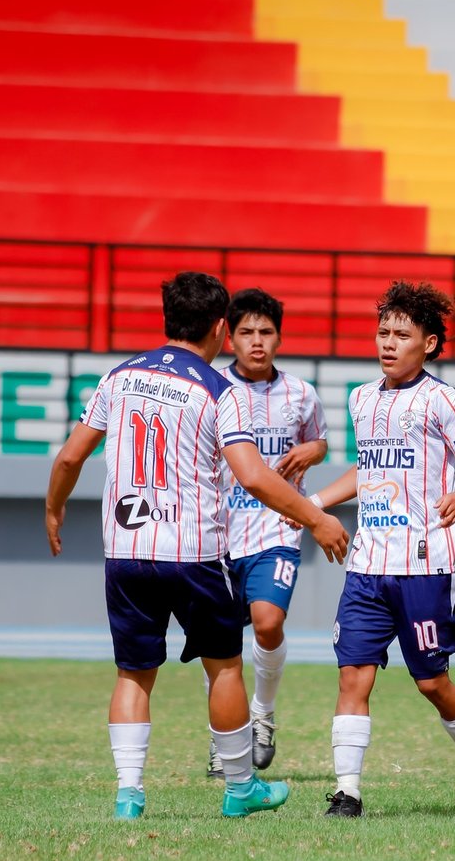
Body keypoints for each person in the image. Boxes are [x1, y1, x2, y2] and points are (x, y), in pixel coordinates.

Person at [45, 271, 348, 820]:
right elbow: (253, 476)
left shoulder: (119, 376)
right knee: (226, 668)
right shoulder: (217, 389)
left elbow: (70, 457)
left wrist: (53, 506)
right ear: (219, 328)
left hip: (127, 551)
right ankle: (240, 789)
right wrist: (316, 519)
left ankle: (129, 796)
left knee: (134, 673)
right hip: (193, 551)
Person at [306, 281, 455, 818]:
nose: (388, 343)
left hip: (425, 566)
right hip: (367, 565)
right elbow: (368, 471)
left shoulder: (441, 399)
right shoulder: (361, 399)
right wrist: (311, 503)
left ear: (431, 344)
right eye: (383, 332)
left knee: (432, 682)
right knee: (353, 675)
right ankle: (347, 793)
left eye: (402, 334)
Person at [205, 288, 328, 778]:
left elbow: (319, 440)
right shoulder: (211, 388)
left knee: (268, 623)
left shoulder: (301, 394)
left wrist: (312, 452)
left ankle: (262, 715)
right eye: (246, 332)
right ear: (229, 338)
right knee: (218, 644)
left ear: (279, 336)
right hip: (217, 532)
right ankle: (223, 741)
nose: (257, 342)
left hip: (277, 528)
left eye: (266, 332)